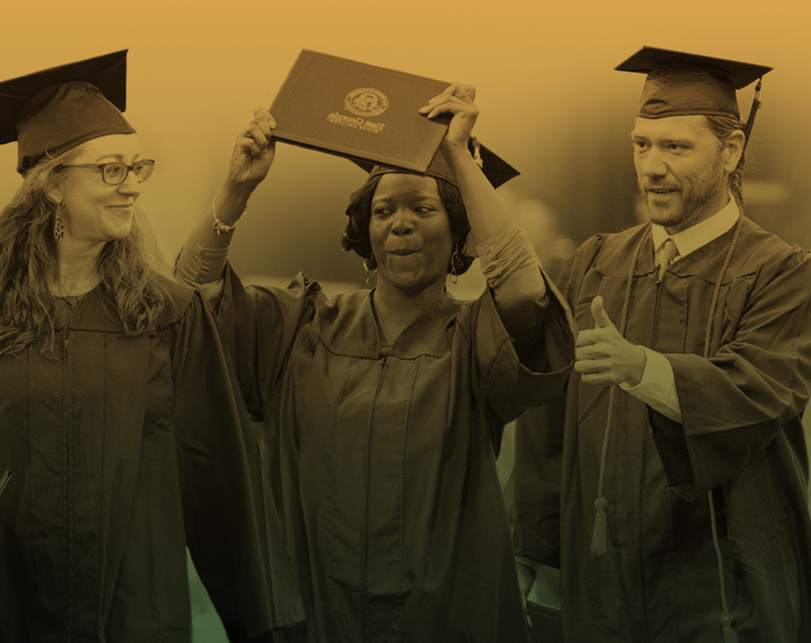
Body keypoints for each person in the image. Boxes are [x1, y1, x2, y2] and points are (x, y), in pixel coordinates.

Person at [0, 51, 301, 641]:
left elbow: (218, 469)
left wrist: (258, 618)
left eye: (139, 168)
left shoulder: (167, 316)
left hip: (135, 606)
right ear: (53, 185)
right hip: (11, 599)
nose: (131, 186)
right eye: (110, 170)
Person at [175, 84, 576, 642]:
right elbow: (193, 296)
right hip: (316, 615)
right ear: (364, 230)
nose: (401, 223)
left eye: (424, 208)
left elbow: (526, 296)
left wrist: (460, 157)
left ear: (460, 231)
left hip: (440, 619)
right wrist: (236, 189)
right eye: (384, 210)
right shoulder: (301, 327)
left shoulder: (473, 338)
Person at [511, 47, 811, 642]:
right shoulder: (598, 260)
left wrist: (643, 368)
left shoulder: (784, 274)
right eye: (641, 145)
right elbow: (549, 423)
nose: (651, 166)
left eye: (675, 147)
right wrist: (535, 549)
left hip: (721, 586)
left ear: (731, 150)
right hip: (602, 582)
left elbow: (758, 392)